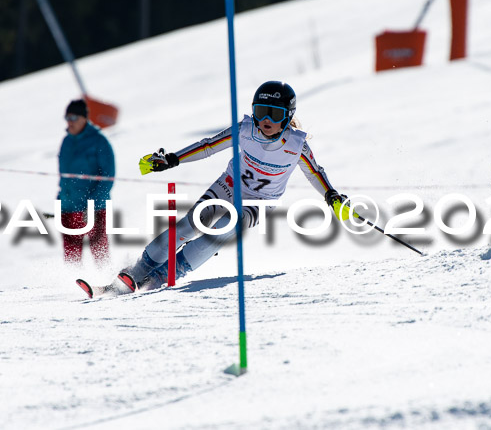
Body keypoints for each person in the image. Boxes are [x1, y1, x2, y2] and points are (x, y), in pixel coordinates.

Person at [120, 81, 349, 291]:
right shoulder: (245, 130)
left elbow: (314, 173)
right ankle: (136, 273)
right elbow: (208, 146)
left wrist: (331, 195)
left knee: (221, 230)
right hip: (227, 187)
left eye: (275, 114)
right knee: (189, 226)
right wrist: (172, 159)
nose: (266, 120)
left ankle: (158, 278)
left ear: (288, 116)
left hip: (258, 203)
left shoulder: (297, 145)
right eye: (261, 112)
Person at [58, 99, 115, 265]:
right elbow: (64, 177)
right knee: (71, 256)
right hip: (69, 206)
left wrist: (92, 204)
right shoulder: (66, 142)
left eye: (74, 117)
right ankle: (70, 285)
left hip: (94, 208)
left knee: (99, 251)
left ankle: (106, 281)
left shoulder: (99, 141)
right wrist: (61, 199)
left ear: (84, 118)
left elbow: (108, 177)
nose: (70, 122)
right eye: (67, 117)